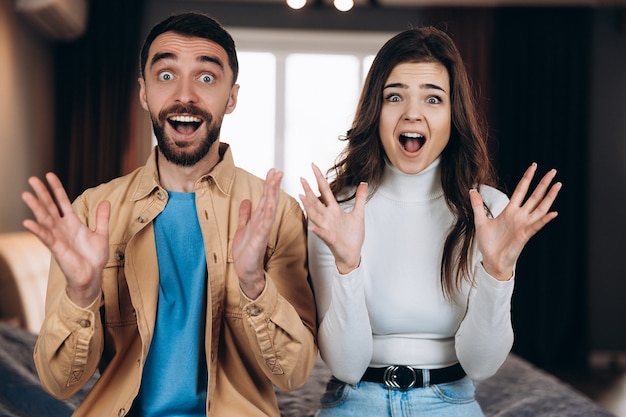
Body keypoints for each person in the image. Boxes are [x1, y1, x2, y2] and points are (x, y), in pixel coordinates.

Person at [21, 12, 317, 417]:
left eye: (207, 78)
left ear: (232, 97)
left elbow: (294, 374)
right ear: (143, 93)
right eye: (165, 76)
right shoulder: (91, 211)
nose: (185, 95)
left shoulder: (278, 214)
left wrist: (253, 283)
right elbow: (60, 383)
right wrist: (82, 294)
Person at [299, 26, 561, 417]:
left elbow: (482, 366)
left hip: (450, 400)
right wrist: (347, 265)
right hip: (354, 400)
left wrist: (498, 272)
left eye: (433, 98)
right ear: (376, 109)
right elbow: (346, 365)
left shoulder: (488, 208)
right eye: (394, 96)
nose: (412, 113)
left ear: (453, 114)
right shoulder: (338, 209)